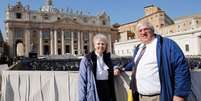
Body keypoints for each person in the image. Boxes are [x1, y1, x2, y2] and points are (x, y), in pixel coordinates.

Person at [114, 21, 191, 101]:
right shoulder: (139, 48)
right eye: (140, 31)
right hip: (140, 96)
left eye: (146, 29)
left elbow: (181, 68)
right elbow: (134, 64)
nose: (143, 32)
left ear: (152, 30)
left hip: (159, 97)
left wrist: (180, 94)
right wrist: (120, 68)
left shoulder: (166, 44)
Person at [78, 34, 116, 101]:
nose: (101, 46)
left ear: (105, 46)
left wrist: (117, 68)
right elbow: (82, 82)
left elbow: (114, 67)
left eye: (103, 44)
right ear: (94, 45)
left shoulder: (108, 59)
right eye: (98, 44)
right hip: (94, 91)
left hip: (107, 90)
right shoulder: (86, 60)